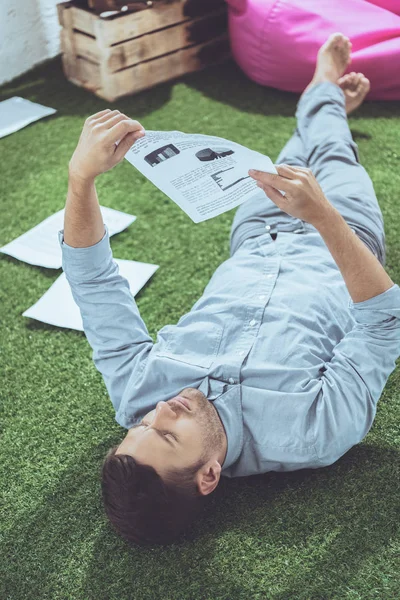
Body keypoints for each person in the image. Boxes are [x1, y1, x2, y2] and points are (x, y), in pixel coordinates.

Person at [60, 33, 400, 547]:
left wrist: (80, 179)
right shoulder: (314, 431)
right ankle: (324, 96)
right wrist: (323, 217)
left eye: (142, 426)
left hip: (255, 228)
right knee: (331, 151)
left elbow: (94, 285)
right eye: (169, 435)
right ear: (209, 475)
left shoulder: (137, 394)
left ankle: (321, 105)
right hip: (342, 234)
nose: (161, 409)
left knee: (282, 158)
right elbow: (384, 325)